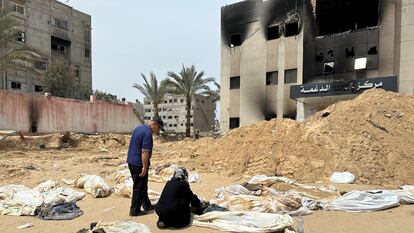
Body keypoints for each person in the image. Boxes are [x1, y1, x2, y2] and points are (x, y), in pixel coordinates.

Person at [127, 117, 164, 216]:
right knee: (139, 187)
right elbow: (145, 151)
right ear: (154, 125)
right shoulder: (147, 133)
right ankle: (134, 210)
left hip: (131, 161)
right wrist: (144, 166)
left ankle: (147, 205)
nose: (158, 131)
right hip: (138, 163)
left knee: (142, 185)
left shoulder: (139, 128)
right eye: (159, 128)